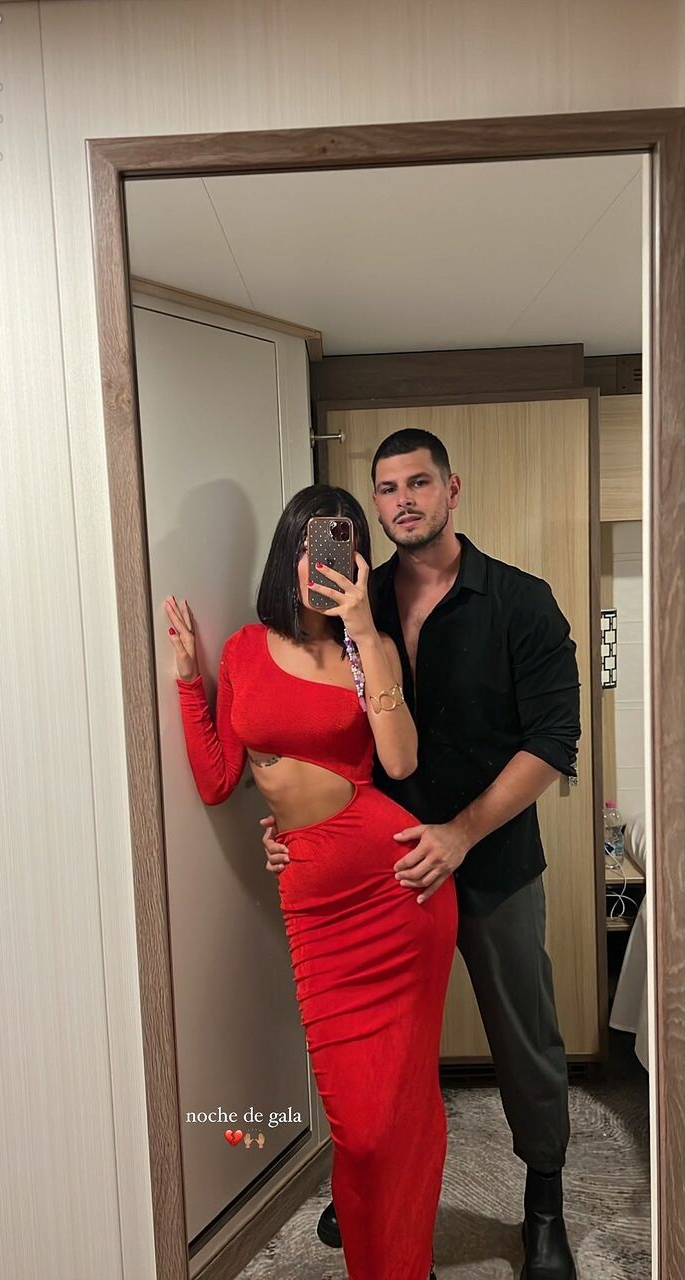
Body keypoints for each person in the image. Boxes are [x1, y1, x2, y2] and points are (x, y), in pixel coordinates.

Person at [263, 429, 581, 1280]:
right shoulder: (351, 601)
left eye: (418, 483)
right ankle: (370, 1189)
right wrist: (293, 822)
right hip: (383, 872)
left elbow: (554, 742)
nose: (402, 500)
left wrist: (461, 833)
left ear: (452, 489)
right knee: (386, 1047)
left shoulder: (520, 602)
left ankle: (543, 1206)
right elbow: (318, 735)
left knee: (525, 1036)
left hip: (494, 863)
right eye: (387, 488)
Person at [164, 484, 458, 1280]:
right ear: (285, 555)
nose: (317, 562)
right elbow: (220, 780)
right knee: (357, 1126)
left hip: (397, 890)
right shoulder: (244, 650)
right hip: (315, 903)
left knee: (402, 1105)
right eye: (305, 544)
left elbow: (399, 761)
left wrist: (362, 630)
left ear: (357, 561)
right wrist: (189, 682)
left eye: (336, 545)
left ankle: (406, 1261)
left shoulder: (370, 649)